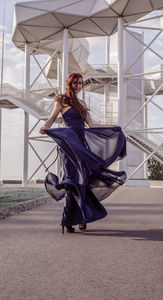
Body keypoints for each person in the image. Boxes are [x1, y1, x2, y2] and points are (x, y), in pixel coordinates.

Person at [40, 72, 127, 234]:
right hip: (68, 146)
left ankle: (81, 217)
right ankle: (68, 220)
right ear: (69, 84)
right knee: (72, 181)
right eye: (75, 83)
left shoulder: (82, 103)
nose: (78, 86)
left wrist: (113, 127)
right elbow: (52, 118)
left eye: (80, 83)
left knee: (83, 180)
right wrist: (45, 127)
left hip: (82, 146)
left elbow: (91, 126)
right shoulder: (61, 100)